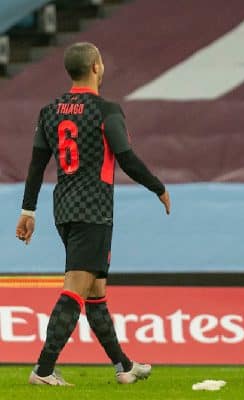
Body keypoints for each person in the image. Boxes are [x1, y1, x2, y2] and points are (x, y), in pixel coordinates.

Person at [15, 42, 171, 386]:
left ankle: (124, 366)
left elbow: (36, 166)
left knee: (95, 292)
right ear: (97, 67)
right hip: (94, 210)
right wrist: (158, 186)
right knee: (75, 289)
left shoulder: (50, 111)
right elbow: (126, 157)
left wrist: (28, 210)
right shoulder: (106, 110)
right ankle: (43, 370)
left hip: (64, 209)